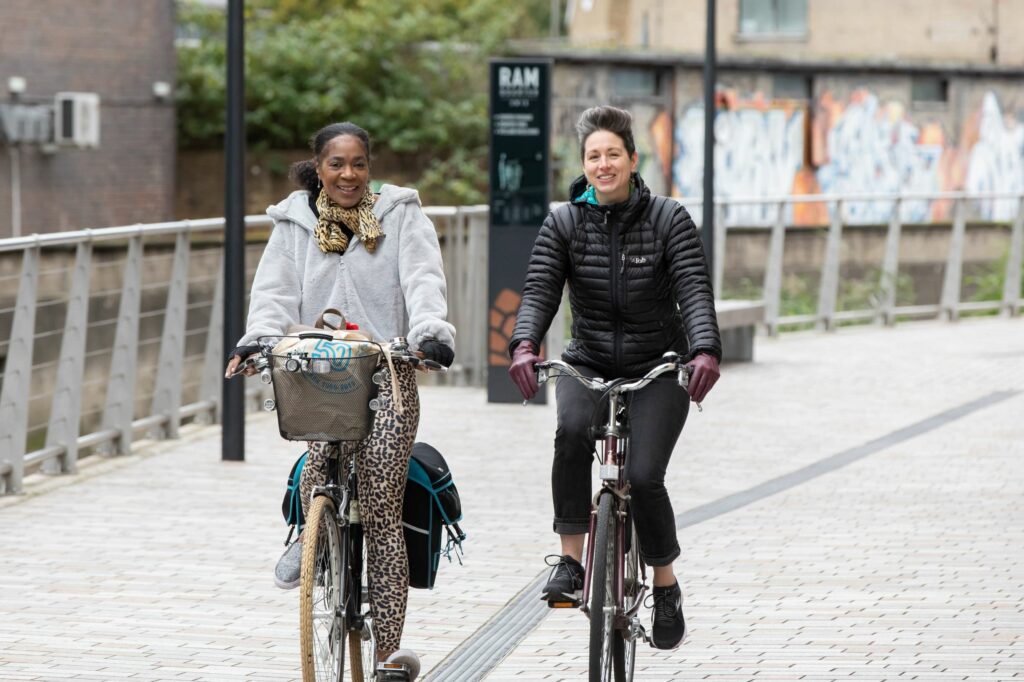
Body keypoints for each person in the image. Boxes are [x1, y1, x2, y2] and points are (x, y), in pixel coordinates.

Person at [224, 121, 455, 676]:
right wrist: (260, 338)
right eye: (336, 164)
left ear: (369, 166)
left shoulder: (400, 216)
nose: (348, 174)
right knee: (318, 461)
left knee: (380, 500)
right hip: (317, 371)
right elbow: (274, 292)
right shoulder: (293, 224)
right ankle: (312, 532)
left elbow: (423, 280)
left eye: (358, 164)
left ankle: (389, 652)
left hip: (386, 374)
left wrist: (431, 332)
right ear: (319, 168)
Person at [507, 105, 721, 651]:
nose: (603, 164)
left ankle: (666, 586)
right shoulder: (564, 221)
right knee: (571, 432)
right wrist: (525, 345)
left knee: (646, 476)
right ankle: (571, 563)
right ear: (584, 165)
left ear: (632, 159)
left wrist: (704, 351)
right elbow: (539, 292)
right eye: (593, 156)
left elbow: (694, 289)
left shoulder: (669, 218)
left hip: (659, 364)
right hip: (589, 360)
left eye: (613, 154)